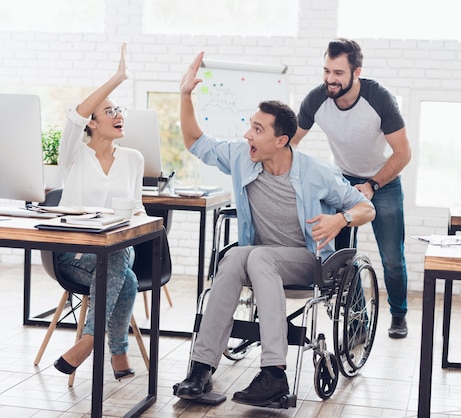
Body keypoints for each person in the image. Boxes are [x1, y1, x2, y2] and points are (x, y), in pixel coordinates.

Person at [174, 51, 376, 407]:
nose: (246, 135)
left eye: (256, 129)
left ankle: (274, 374)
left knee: (255, 257)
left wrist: (340, 219)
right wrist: (185, 95)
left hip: (309, 261)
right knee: (236, 257)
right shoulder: (242, 156)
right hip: (260, 260)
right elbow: (196, 142)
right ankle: (201, 369)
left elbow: (366, 208)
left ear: (281, 140)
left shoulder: (317, 173)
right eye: (250, 126)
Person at [292, 38, 412, 339]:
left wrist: (372, 184)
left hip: (383, 182)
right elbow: (289, 143)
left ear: (356, 72)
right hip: (342, 183)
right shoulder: (316, 100)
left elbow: (403, 153)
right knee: (343, 258)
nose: (330, 79)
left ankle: (398, 315)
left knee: (393, 259)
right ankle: (358, 321)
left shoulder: (379, 98)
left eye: (338, 73)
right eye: (326, 71)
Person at [52, 43, 146, 380]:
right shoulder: (73, 155)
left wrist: (136, 219)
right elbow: (76, 114)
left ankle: (89, 340)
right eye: (109, 111)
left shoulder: (133, 159)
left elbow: (137, 209)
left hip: (118, 250)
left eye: (120, 109)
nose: (118, 115)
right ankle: (115, 349)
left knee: (118, 256)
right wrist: (118, 77)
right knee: (128, 280)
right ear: (90, 123)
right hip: (74, 256)